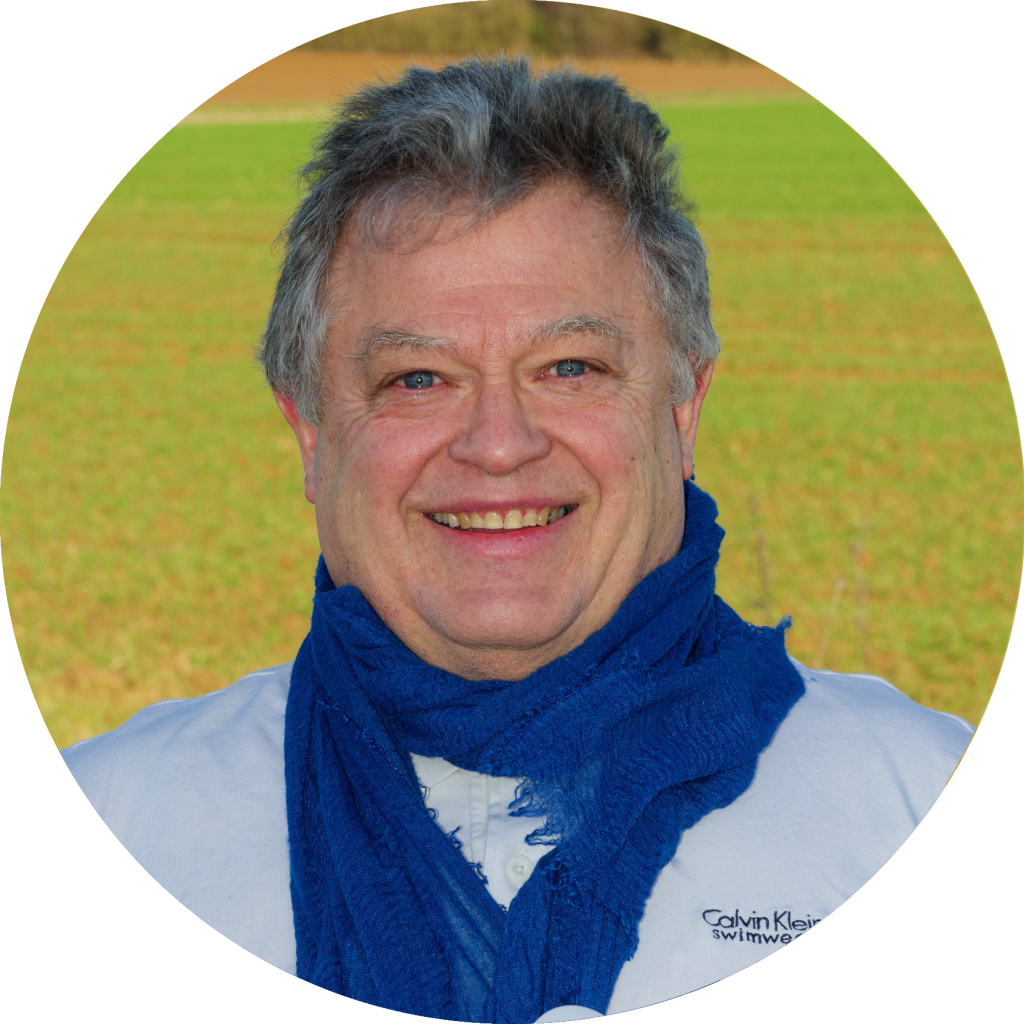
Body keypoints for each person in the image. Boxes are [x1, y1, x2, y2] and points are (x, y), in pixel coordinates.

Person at [61, 57, 972, 1022]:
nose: (499, 444)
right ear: (312, 436)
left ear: (683, 410)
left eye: (570, 367)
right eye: (417, 378)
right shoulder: (128, 816)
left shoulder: (906, 797)